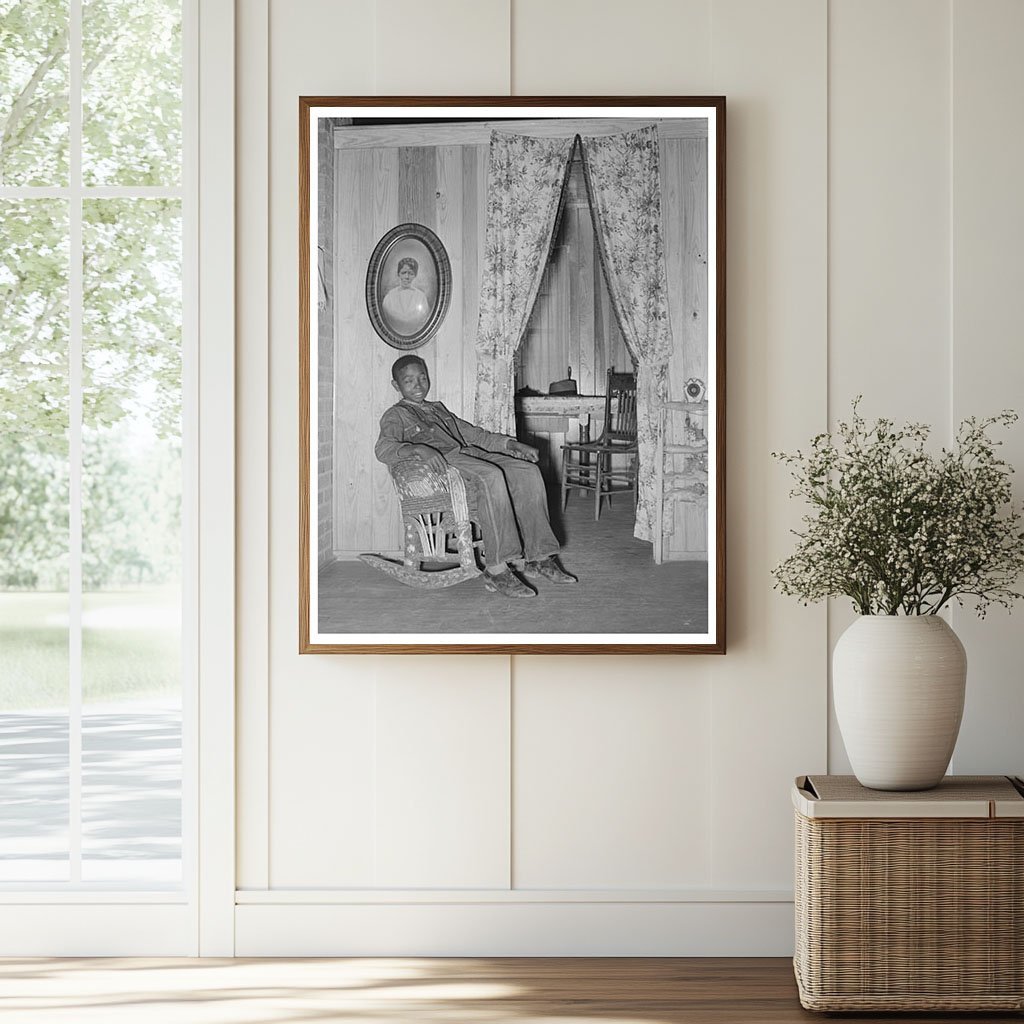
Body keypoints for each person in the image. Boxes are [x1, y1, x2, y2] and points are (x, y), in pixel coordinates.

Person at [375, 355, 577, 598]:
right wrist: (418, 448)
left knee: (528, 471)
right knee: (491, 476)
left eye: (422, 378)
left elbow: (476, 435)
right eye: (408, 381)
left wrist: (511, 445)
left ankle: (540, 557)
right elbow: (384, 448)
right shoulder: (395, 415)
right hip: (447, 463)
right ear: (396, 385)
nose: (418, 385)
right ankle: (497, 569)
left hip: (470, 454)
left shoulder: (438, 409)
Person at [381, 257, 430, 334]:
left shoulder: (421, 297)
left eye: (410, 273)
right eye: (404, 273)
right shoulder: (389, 297)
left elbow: (423, 319)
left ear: (415, 275)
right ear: (398, 274)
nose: (407, 277)